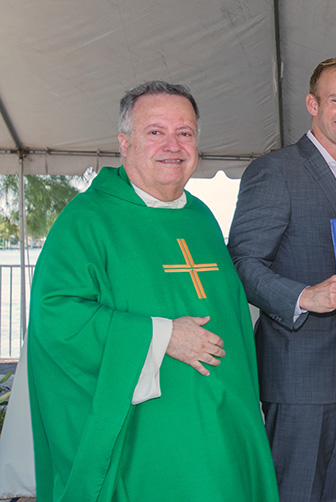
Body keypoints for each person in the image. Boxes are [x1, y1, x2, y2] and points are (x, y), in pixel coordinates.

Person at [26, 81, 278, 501]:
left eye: (185, 133)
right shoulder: (87, 220)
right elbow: (57, 317)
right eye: (155, 131)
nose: (173, 145)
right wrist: (162, 335)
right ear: (124, 143)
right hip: (146, 438)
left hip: (224, 429)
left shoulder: (201, 218)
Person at [228, 57, 336, 501]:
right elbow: (242, 261)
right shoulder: (276, 170)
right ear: (312, 103)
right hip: (299, 378)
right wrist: (305, 296)